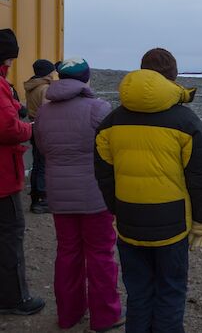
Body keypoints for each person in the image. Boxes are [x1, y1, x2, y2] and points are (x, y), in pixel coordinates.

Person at [95, 48, 202, 333]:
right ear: (172, 78)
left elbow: (103, 174)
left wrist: (116, 209)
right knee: (170, 292)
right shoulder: (186, 121)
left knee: (138, 293)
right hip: (172, 224)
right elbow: (199, 178)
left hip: (129, 221)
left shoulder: (112, 121)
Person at [34, 57, 123, 332]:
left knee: (67, 252)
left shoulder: (45, 112)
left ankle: (69, 314)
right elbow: (112, 151)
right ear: (86, 79)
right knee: (100, 254)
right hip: (94, 194)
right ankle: (105, 316)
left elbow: (42, 148)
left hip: (59, 194)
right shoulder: (98, 108)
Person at [0, 28, 45, 316]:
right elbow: (7, 127)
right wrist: (31, 128)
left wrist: (18, 110)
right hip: (3, 177)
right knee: (9, 235)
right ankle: (13, 298)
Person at [24, 58, 56, 214]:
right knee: (44, 164)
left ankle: (36, 197)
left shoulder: (32, 86)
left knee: (37, 163)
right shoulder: (45, 88)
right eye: (52, 71)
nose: (54, 74)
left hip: (33, 126)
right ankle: (42, 200)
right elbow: (47, 111)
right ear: (47, 72)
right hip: (43, 128)